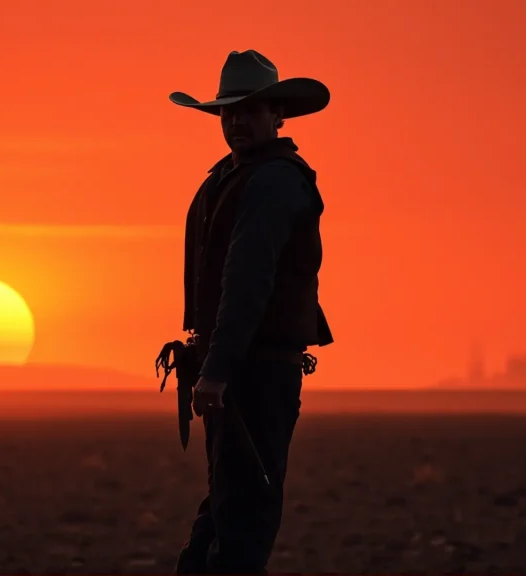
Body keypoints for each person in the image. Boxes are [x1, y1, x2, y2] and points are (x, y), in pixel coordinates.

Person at [169, 49, 334, 574]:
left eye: (250, 109)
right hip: (237, 366)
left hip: (255, 370)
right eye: (227, 111)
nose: (237, 120)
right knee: (228, 508)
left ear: (277, 114)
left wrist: (216, 371)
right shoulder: (230, 177)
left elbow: (248, 281)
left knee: (242, 518)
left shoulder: (274, 181)